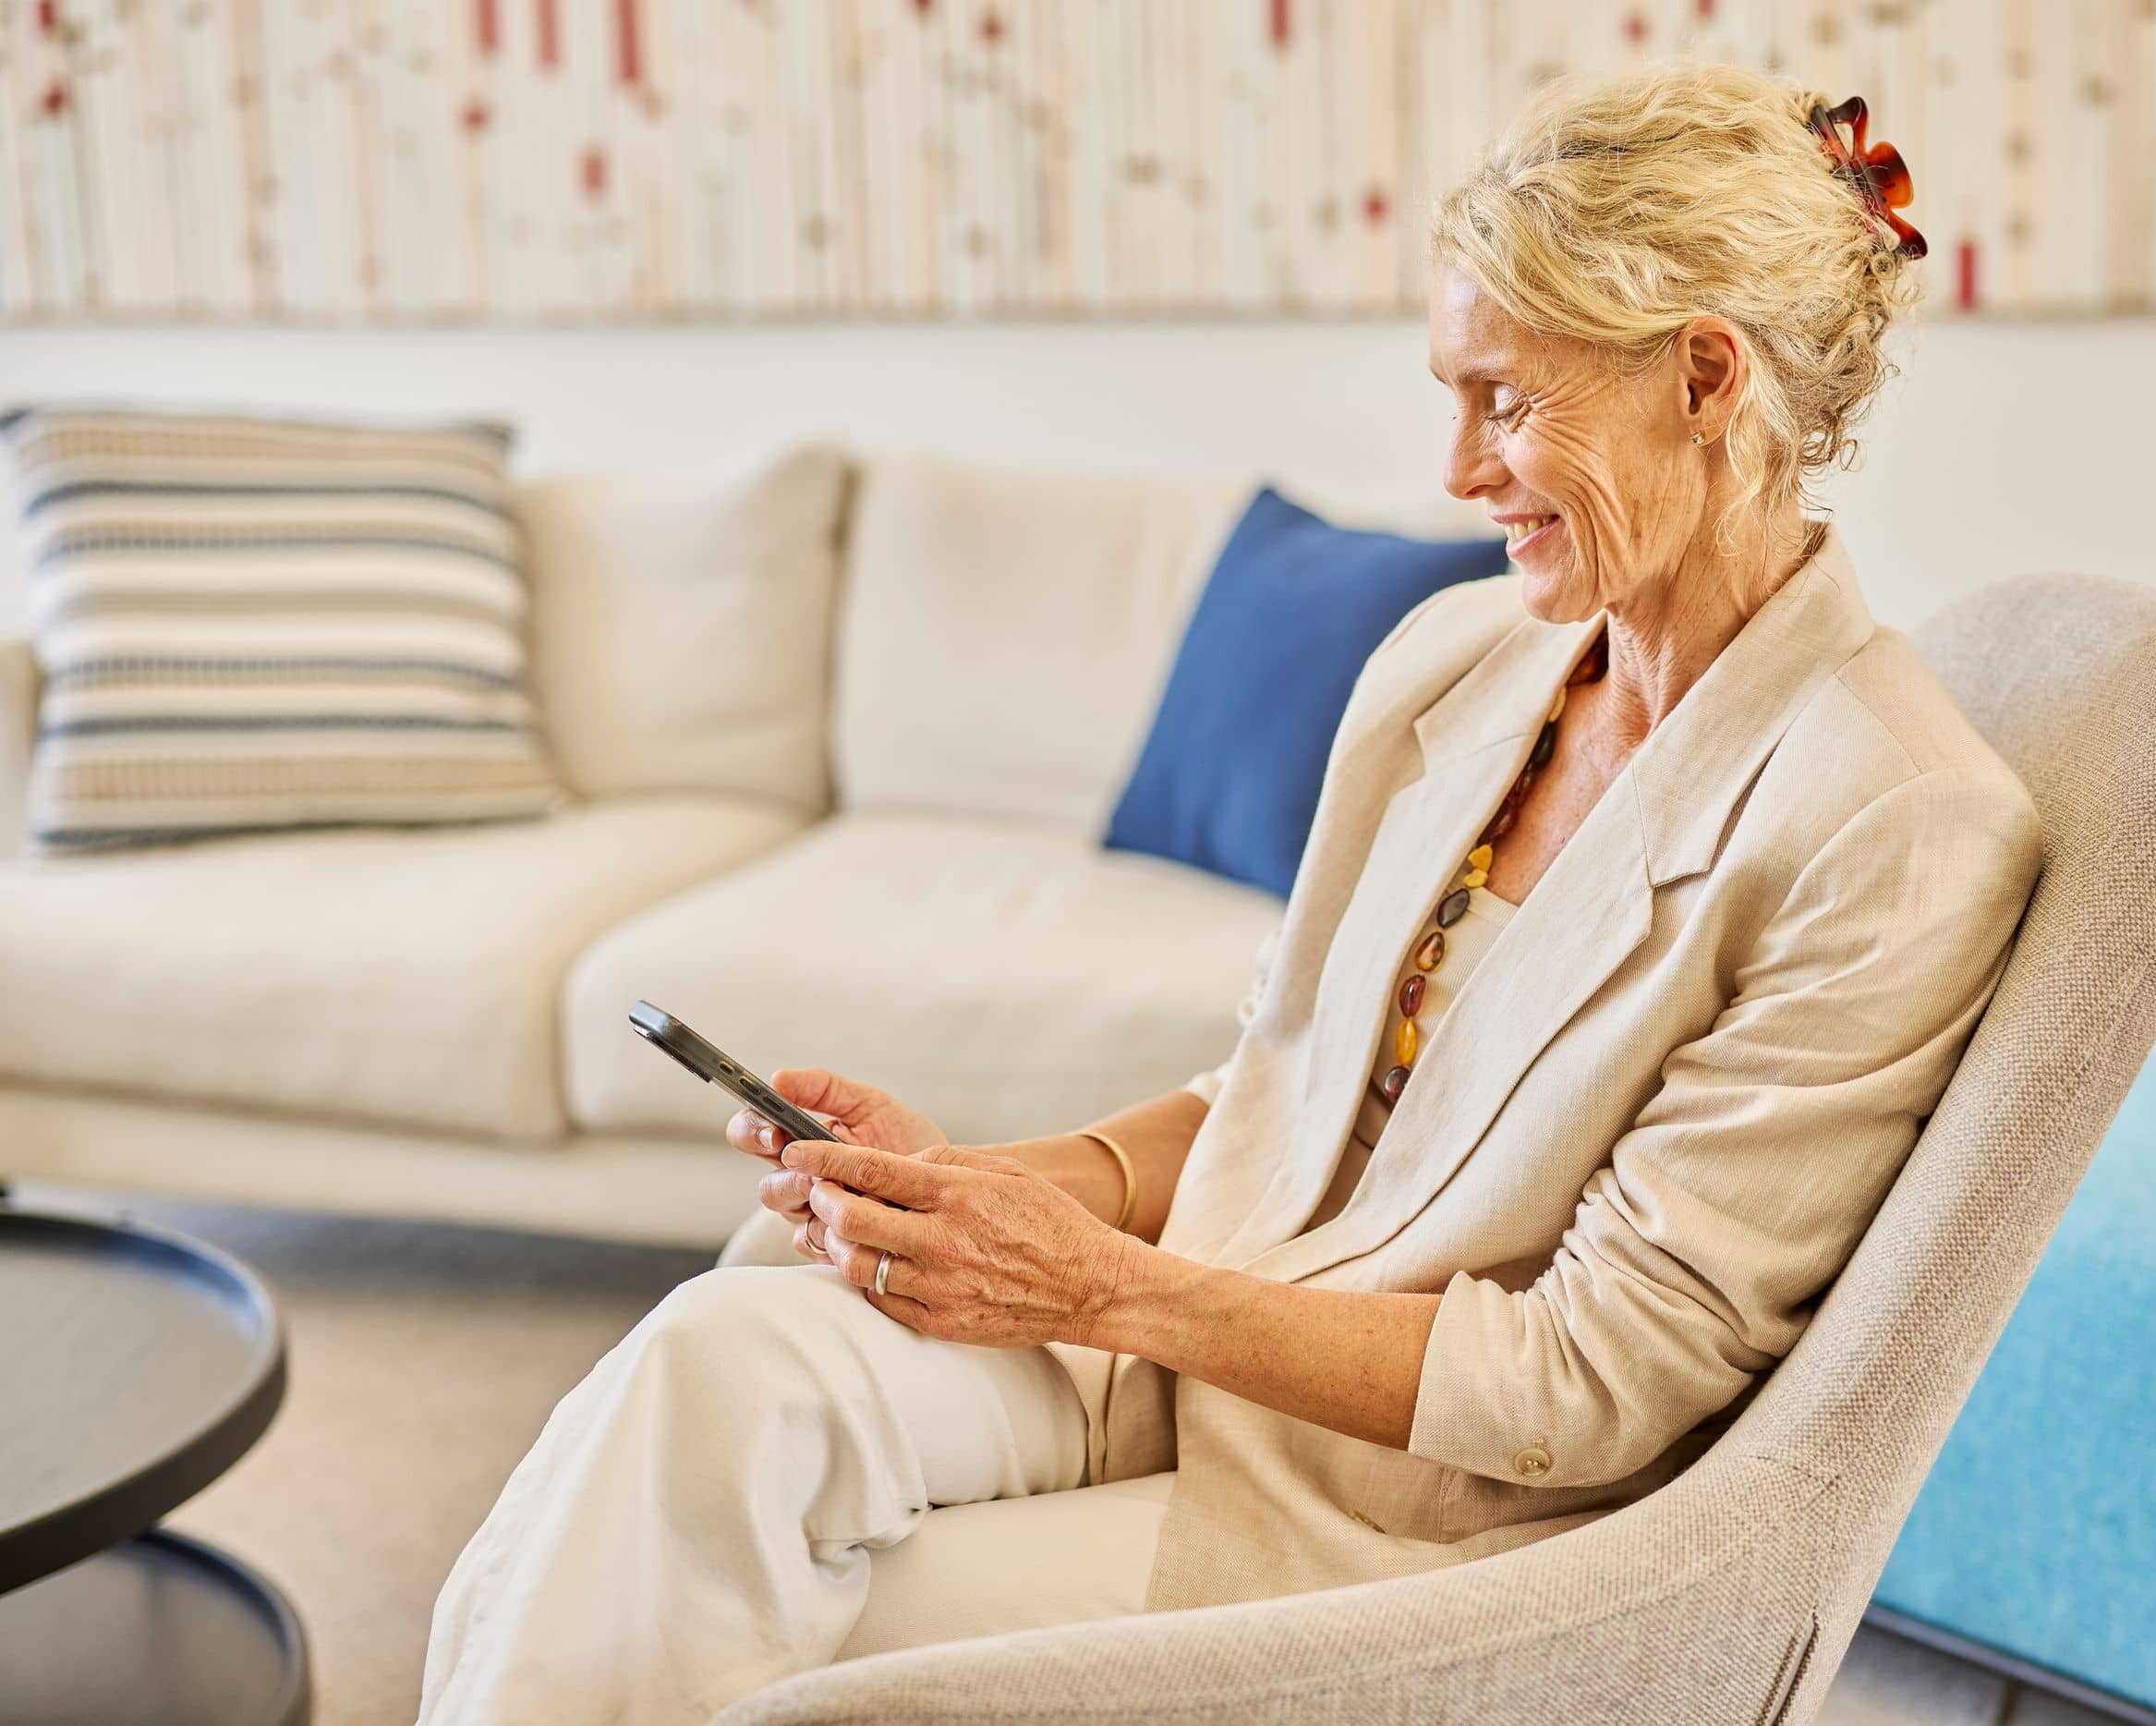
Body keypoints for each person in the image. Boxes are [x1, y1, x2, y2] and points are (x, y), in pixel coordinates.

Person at [419, 60, 2041, 1726]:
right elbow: (1277, 1080)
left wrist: (1093, 1286)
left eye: (1507, 400)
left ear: (1705, 375)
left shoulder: (1893, 823)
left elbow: (1595, 1379)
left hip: (1405, 1511)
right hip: (1178, 1356)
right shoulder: (1460, 670)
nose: (1461, 471)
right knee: (697, 1376)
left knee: (721, 1610)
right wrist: (986, 1191)